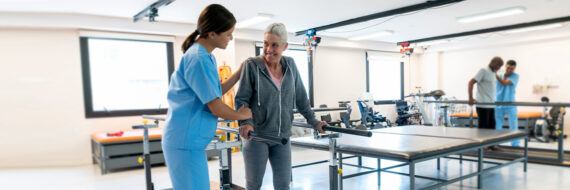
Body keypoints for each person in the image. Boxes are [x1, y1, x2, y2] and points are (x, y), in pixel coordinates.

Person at [162, 4, 252, 190]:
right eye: (228, 33)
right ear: (212, 34)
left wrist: (237, 74)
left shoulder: (204, 56)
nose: (231, 38)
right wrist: (244, 115)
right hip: (185, 143)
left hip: (187, 142)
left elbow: (213, 92)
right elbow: (216, 107)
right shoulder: (199, 58)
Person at [235, 23, 327, 190]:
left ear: (285, 46)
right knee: (254, 185)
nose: (269, 49)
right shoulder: (252, 65)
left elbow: (301, 98)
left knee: (283, 185)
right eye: (265, 43)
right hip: (257, 137)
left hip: (282, 137)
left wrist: (314, 122)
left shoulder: (290, 65)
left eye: (274, 45)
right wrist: (245, 123)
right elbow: (241, 99)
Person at [468, 56, 504, 130]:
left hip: (491, 105)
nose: (499, 68)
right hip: (483, 105)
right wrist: (470, 98)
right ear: (492, 63)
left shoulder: (493, 73)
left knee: (492, 128)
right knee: (483, 129)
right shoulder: (483, 70)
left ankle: (491, 142)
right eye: (498, 65)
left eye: (500, 66)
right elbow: (471, 82)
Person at [495, 60, 520, 146]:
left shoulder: (515, 76)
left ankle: (515, 145)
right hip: (498, 104)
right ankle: (495, 144)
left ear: (514, 69)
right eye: (508, 67)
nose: (509, 70)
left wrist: (495, 74)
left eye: (512, 68)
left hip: (510, 104)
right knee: (497, 126)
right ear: (505, 66)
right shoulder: (499, 75)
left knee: (513, 126)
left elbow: (505, 83)